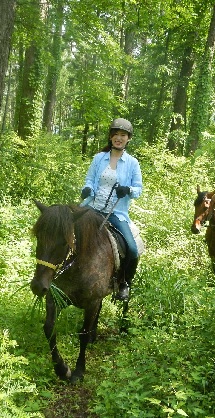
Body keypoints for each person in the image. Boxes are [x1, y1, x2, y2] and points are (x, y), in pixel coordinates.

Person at [80, 118, 143, 301]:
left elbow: (138, 189)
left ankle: (124, 284)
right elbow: (90, 180)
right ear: (110, 136)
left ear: (128, 139)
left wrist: (128, 190)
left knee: (132, 249)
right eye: (116, 134)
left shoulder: (132, 163)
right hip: (92, 207)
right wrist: (88, 190)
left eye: (123, 135)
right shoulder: (99, 158)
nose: (119, 138)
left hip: (116, 213)